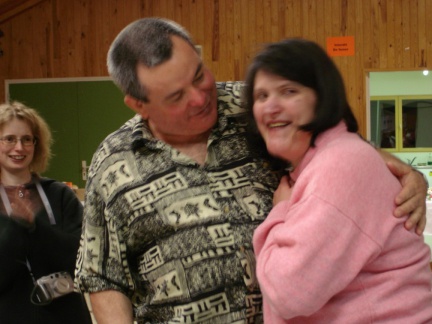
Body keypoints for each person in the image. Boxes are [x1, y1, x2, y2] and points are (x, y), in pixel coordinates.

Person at [74, 18, 428, 323]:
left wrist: (407, 173)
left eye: (199, 75)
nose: (200, 97)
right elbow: (103, 276)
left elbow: (339, 146)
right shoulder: (113, 164)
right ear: (139, 104)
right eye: (176, 96)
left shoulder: (257, 106)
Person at [244, 38, 432, 323]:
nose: (271, 106)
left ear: (322, 98)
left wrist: (279, 213)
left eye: (289, 91)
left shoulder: (340, 165)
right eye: (261, 96)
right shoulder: (325, 161)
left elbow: (289, 293)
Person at [0, 102, 92, 323]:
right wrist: (16, 227)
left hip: (66, 315)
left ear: (36, 144)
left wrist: (35, 226)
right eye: (10, 139)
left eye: (27, 139)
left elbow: (80, 259)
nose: (19, 148)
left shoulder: (60, 195)